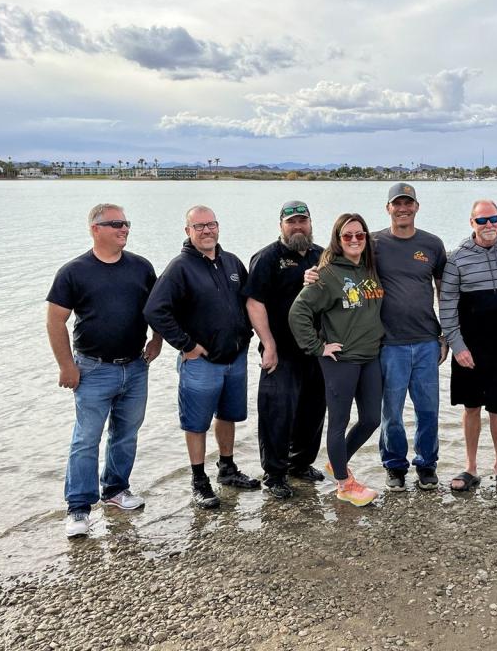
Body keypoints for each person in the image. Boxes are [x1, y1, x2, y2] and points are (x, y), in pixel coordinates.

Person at [46, 203, 162, 539]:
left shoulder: (141, 267)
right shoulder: (74, 271)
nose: (124, 229)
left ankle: (116, 490)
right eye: (116, 224)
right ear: (95, 228)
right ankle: (78, 508)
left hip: (136, 367)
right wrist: (66, 366)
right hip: (93, 370)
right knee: (86, 440)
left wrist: (156, 341)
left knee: (126, 434)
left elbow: (158, 307)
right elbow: (55, 320)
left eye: (126, 223)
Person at [144, 205, 258, 510]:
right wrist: (185, 344)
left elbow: (250, 301)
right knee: (196, 423)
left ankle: (227, 469)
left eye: (211, 225)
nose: (206, 231)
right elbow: (155, 309)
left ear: (218, 227)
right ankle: (199, 480)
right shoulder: (180, 267)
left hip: (234, 358)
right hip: (201, 362)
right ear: (188, 232)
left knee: (228, 415)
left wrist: (252, 336)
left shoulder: (231, 262)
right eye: (199, 227)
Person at [289, 213, 385, 507]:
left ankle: (337, 462)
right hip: (341, 360)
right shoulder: (327, 274)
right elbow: (298, 312)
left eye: (360, 235)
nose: (355, 240)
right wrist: (318, 347)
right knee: (339, 421)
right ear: (338, 240)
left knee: (371, 419)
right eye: (348, 236)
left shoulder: (370, 268)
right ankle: (344, 485)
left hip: (370, 357)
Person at [439, 199, 497, 493]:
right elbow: (447, 306)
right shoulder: (457, 258)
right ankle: (471, 466)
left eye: (494, 219)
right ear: (471, 223)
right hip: (470, 346)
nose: (489, 225)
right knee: (471, 406)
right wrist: (456, 345)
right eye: (482, 221)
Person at [244, 201, 326, 499]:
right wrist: (268, 345)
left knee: (313, 410)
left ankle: (300, 464)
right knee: (276, 413)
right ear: (281, 225)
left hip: (315, 350)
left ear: (310, 223)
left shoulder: (322, 255)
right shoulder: (268, 257)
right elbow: (254, 302)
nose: (297, 227)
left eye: (302, 221)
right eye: (291, 222)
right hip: (281, 350)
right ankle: (275, 473)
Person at [374, 183, 448, 491]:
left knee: (428, 408)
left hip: (427, 341)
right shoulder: (373, 242)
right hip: (389, 342)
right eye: (397, 203)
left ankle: (427, 464)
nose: (403, 208)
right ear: (388, 207)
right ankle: (394, 466)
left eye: (408, 203)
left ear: (416, 207)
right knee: (391, 411)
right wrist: (313, 274)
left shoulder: (432, 244)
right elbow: (340, 264)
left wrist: (445, 332)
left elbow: (444, 289)